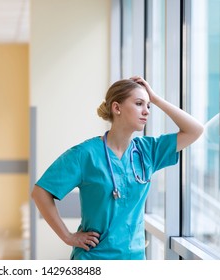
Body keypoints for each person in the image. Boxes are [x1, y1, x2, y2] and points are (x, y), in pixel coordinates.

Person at [31, 76, 204, 260]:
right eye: (139, 104)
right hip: (93, 258)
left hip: (134, 259)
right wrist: (67, 237)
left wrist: (156, 98)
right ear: (117, 107)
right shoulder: (85, 154)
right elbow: (40, 192)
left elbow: (195, 130)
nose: (146, 111)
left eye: (148, 106)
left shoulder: (148, 151)